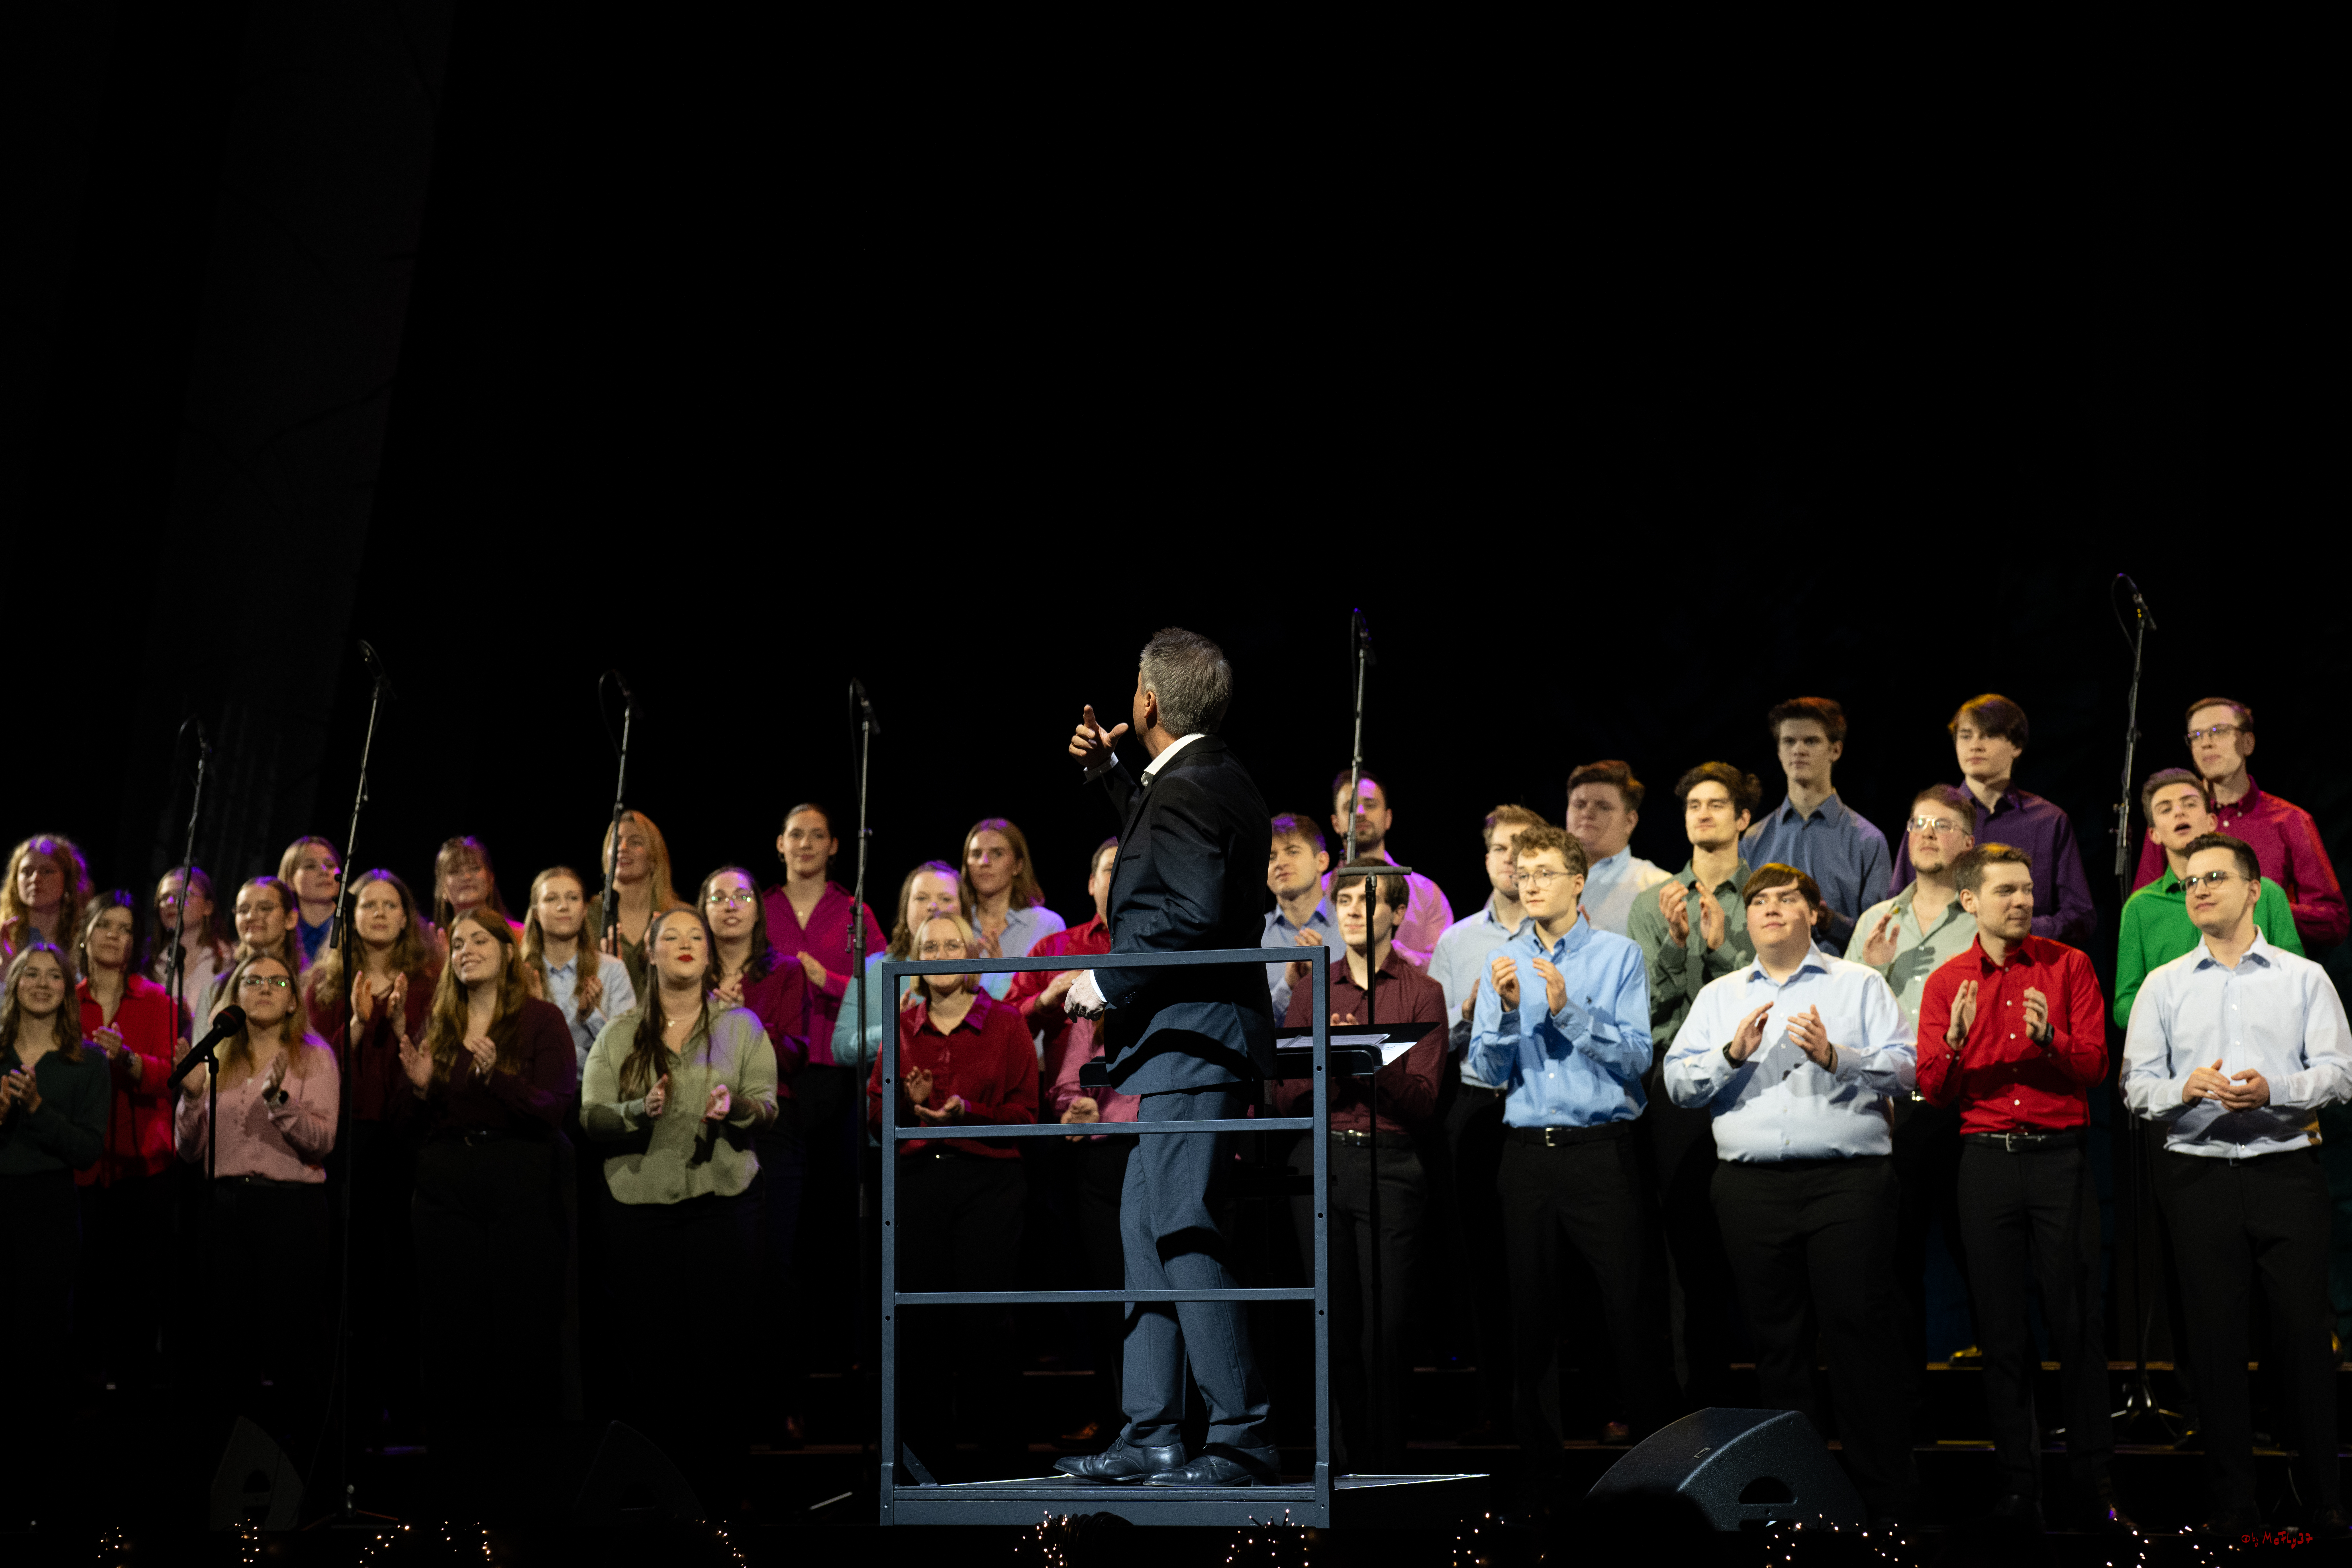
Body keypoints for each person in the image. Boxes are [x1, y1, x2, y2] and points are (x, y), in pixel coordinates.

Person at [1055, 627, 1281, 1489]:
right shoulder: (1197, 779)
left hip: (1192, 1038)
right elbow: (1168, 865)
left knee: (1182, 1225)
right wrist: (1107, 777)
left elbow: (1187, 911)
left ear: (1144, 703)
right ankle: (1151, 1429)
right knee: (1145, 1230)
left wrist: (1106, 981)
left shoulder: (1192, 787)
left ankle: (1240, 1434)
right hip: (1177, 1043)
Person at [1663, 865, 1920, 1524]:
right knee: (1777, 1348)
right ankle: (1796, 1502)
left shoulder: (1857, 983)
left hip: (1847, 1185)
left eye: (1786, 899)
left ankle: (1883, 1506)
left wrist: (1839, 1056)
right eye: (1759, 902)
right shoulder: (1722, 995)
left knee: (1859, 1338)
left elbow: (1906, 1068)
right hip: (1750, 1189)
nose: (1771, 909)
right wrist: (1729, 1054)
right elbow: (1678, 1084)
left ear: (1813, 913)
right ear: (1746, 919)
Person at [2122, 832, 2352, 1539]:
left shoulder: (2300, 977)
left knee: (2302, 1339)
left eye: (2214, 877)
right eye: (2189, 881)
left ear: (2255, 890)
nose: (2198, 890)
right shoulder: (2163, 984)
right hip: (2196, 1176)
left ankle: (2322, 1500)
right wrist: (2179, 1089)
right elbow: (2135, 1087)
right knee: (2214, 1345)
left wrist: (2275, 1089)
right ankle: (2233, 1506)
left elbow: (2338, 1075)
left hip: (2285, 1171)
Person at [1915, 846, 2126, 1532]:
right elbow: (1934, 1089)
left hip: (2059, 1159)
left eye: (2027, 889)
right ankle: (2018, 1483)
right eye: (2005, 890)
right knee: (2001, 1330)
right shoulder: (1948, 980)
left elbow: (2095, 1066)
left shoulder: (2068, 965)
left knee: (2076, 1323)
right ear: (1969, 900)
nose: (2021, 900)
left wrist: (2046, 1039)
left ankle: (2092, 1477)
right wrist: (1952, 1042)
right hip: (1984, 1162)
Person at [1465, 824, 1674, 1490]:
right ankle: (1540, 1477)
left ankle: (1652, 1475)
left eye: (1544, 872)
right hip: (1526, 1157)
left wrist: (1567, 1012)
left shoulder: (1616, 956)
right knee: (1529, 1318)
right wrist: (1502, 1013)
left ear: (1577, 882)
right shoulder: (1503, 959)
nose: (1529, 883)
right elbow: (1481, 1070)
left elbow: (1638, 1058)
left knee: (1629, 1312)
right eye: (1522, 873)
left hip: (1599, 1156)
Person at [582, 905, 778, 1512]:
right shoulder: (619, 1033)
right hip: (641, 1211)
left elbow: (770, 1105)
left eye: (697, 935)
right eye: (673, 935)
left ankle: (723, 1497)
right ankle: (662, 1498)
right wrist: (642, 1109)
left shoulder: (741, 1026)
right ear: (652, 953)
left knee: (722, 1352)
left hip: (724, 1205)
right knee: (654, 1354)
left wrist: (737, 1105)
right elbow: (590, 1116)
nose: (687, 943)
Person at [388, 910, 576, 1511]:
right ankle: (458, 1486)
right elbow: (404, 1124)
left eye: (480, 940)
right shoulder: (438, 1023)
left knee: (522, 1335)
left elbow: (552, 1107)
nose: (467, 949)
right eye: (459, 943)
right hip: (447, 1189)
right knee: (452, 1337)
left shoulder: (541, 1021)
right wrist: (418, 1087)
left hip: (520, 1183)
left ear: (507, 950)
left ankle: (528, 1487)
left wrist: (498, 1077)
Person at [1269, 863, 1446, 1471]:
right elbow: (1285, 1095)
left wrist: (1367, 1056)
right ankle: (1341, 1465)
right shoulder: (1311, 990)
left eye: (1366, 901)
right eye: (1342, 899)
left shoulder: (1422, 990)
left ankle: (1387, 1461)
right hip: (1320, 1161)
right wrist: (1329, 1060)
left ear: (1396, 915)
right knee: (1334, 1323)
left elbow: (1424, 1102)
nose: (1351, 910)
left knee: (1389, 1325)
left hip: (1391, 1161)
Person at [865, 911, 1038, 1471]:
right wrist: (903, 1104)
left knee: (986, 1326)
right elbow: (874, 1114)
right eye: (929, 946)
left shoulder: (1007, 1023)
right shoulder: (902, 1024)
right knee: (921, 1332)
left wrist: (970, 1113)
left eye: (952, 945)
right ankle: (925, 1474)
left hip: (987, 1183)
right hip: (917, 1184)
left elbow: (1026, 1115)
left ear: (973, 955)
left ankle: (1004, 1471)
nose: (941, 954)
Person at [1626, 763, 1758, 1407]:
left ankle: (1768, 1389)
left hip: (1753, 1080)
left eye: (1716, 805)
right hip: (1675, 1083)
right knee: (1685, 1243)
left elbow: (1770, 986)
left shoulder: (1763, 893)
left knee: (1754, 1239)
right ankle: (1695, 1396)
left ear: (1743, 819)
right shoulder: (1655, 902)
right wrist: (1682, 947)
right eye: (1693, 806)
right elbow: (1648, 1003)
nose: (1702, 814)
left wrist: (1721, 950)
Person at [1845, 786, 1983, 1391]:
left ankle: (2010, 1407)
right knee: (1892, 1265)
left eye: (1944, 824)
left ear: (1968, 842)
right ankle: (1905, 1405)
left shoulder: (1981, 917)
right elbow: (1848, 1020)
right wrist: (1873, 971)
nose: (1928, 832)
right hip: (1895, 1115)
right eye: (1919, 822)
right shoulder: (1878, 920)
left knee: (1980, 1259)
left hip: (1965, 1112)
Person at [174, 951, 340, 1437]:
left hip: (290, 1210)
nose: (265, 987)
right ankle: (236, 1474)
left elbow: (324, 1141)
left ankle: (303, 1466)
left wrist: (280, 1102)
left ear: (293, 1000)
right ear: (235, 995)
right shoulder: (218, 1056)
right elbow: (190, 1150)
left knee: (291, 1345)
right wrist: (190, 1098)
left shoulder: (314, 1054)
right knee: (229, 1345)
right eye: (252, 980)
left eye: (277, 981)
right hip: (226, 1209)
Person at [300, 867, 437, 1445]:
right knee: (352, 1280)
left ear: (407, 916)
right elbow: (315, 1069)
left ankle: (406, 1409)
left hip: (408, 1139)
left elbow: (434, 1065)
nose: (379, 913)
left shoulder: (431, 981)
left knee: (405, 1278)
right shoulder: (326, 986)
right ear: (350, 917)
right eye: (368, 905)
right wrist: (358, 1025)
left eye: (390, 904)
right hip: (349, 1142)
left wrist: (405, 1025)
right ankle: (352, 1417)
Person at [1424, 803, 1547, 1442]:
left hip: (1543, 1105)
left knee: (1540, 1262)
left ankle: (1542, 1403)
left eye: (1524, 851)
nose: (1512, 862)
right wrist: (1469, 1011)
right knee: (1480, 1260)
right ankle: (1492, 1401)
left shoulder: (1563, 932)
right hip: (1476, 1104)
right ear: (1488, 859)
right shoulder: (1457, 941)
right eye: (1501, 850)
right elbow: (1434, 1039)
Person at [0, 943, 108, 1472]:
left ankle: (38, 1471)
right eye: (31, 974)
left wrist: (38, 1110)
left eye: (54, 976)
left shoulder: (87, 1061)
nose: (42, 983)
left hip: (49, 1208)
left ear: (68, 989)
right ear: (14, 982)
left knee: (39, 1341)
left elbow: (89, 1149)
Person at [2129, 699, 2346, 948]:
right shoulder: (2173, 822)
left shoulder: (2291, 821)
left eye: (2219, 732)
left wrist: (2262, 909)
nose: (2206, 743)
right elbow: (2148, 910)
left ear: (2248, 743)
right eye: (2196, 736)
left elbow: (2333, 921)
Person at [72, 893, 177, 1395]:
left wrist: (128, 1059)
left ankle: (133, 1384)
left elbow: (170, 1074)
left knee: (139, 1283)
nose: (116, 934)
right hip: (83, 1163)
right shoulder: (69, 999)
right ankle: (85, 1380)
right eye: (106, 925)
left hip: (143, 1163)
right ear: (86, 934)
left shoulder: (157, 999)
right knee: (84, 1276)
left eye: (126, 928)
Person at [1888, 694, 2094, 950]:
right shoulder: (1931, 818)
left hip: (2023, 962)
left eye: (1989, 735)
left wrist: (2018, 928)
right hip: (1942, 964)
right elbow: (1899, 900)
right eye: (1966, 736)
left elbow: (2079, 916)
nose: (1975, 745)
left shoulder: (2049, 821)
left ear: (2016, 746)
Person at [2119, 769, 2304, 1027]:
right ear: (2154, 835)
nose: (2179, 813)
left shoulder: (2265, 892)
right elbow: (2124, 1005)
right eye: (2165, 809)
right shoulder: (2140, 908)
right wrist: (2182, 1013)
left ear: (2211, 822)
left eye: (2189, 804)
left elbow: (2297, 980)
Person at [1740, 697, 1890, 949]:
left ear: (1836, 750)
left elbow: (1880, 932)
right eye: (1789, 742)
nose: (1798, 750)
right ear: (1779, 751)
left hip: (1841, 980)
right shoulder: (1753, 840)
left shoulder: (1868, 841)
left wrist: (1831, 921)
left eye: (1811, 741)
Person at [1009, 840, 1119, 1095]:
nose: (1120, 877)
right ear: (1092, 884)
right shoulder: (1053, 948)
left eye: (1128, 869)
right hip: (1068, 1113)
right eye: (1111, 868)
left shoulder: (1161, 951)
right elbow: (1007, 1027)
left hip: (1147, 1115)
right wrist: (1044, 1000)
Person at [521, 866, 637, 1078]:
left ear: (584, 910)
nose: (563, 907)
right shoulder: (521, 973)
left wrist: (591, 1016)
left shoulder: (612, 970)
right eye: (551, 899)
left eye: (573, 898)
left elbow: (626, 1048)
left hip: (593, 1092)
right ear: (536, 914)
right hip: (536, 1090)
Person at [1326, 768, 1453, 960]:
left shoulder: (1427, 894)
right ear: (1336, 824)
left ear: (1388, 818)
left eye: (1370, 805)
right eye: (1350, 807)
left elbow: (1445, 967)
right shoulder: (1320, 892)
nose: (1360, 813)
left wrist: (1396, 956)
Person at [1565, 760, 1672, 937]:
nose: (1587, 814)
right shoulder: (1540, 879)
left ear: (1630, 822)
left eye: (1604, 807)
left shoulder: (1657, 887)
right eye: (1580, 805)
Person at [962, 817, 1065, 1000]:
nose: (984, 862)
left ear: (1018, 866)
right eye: (976, 854)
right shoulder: (957, 923)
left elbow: (1053, 999)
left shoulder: (1048, 926)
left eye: (997, 854)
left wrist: (1001, 973)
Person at [592, 811, 689, 997]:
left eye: (636, 842)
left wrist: (656, 959)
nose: (623, 847)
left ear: (655, 860)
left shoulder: (680, 917)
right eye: (616, 841)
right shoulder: (587, 914)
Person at [200, 876, 304, 1018]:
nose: (251, 917)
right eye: (243, 910)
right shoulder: (216, 989)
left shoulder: (308, 984)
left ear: (291, 919)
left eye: (265, 908)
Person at [1263, 814, 1335, 1019]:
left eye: (1293, 852)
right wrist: (1288, 987)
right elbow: (1249, 1024)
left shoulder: (1350, 928)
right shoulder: (1254, 937)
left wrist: (1320, 980)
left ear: (1321, 861)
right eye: (1271, 857)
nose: (1280, 863)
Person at [150, 866, 233, 1032]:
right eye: (164, 898)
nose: (171, 903)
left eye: (183, 895)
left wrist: (191, 1019)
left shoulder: (229, 961)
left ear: (208, 907)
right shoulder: (149, 963)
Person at [3, 834, 93, 961]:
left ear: (68, 880)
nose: (36, 879)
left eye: (47, 871)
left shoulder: (85, 938)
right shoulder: (4, 939)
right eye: (27, 871)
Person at [431, 835, 524, 942]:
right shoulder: (432, 946)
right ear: (441, 888)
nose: (466, 877)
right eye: (455, 872)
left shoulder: (522, 937)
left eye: (475, 869)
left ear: (491, 879)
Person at [277, 835, 343, 966]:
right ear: (290, 880)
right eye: (310, 866)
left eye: (330, 865)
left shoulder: (354, 929)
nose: (324, 872)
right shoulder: (279, 932)